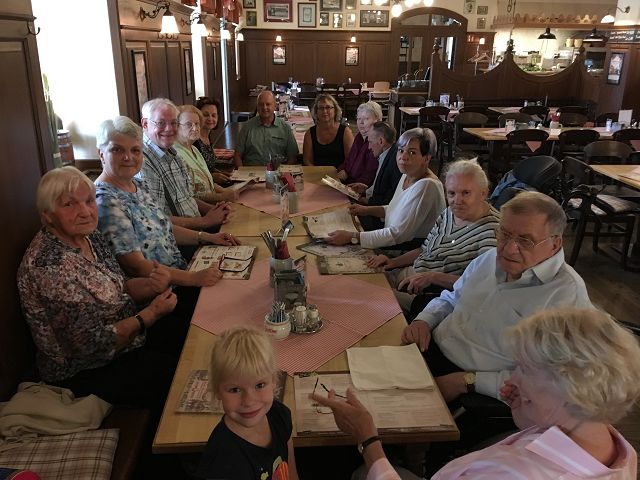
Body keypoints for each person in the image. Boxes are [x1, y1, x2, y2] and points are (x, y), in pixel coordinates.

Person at [314, 308, 640, 479]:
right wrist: (530, 414)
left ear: (573, 391)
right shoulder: (612, 445)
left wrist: (368, 442)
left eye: (524, 368)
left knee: (357, 470)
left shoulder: (515, 475)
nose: (512, 379)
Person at [17, 166, 181, 422]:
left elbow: (120, 287)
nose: (85, 211)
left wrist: (151, 285)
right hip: (83, 370)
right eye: (69, 204)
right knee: (172, 376)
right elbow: (91, 344)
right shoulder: (51, 266)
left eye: (89, 201)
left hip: (127, 336)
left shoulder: (89, 236)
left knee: (186, 330)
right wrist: (150, 314)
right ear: (48, 216)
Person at [402, 191, 593, 404]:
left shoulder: (566, 295)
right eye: (505, 233)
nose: (510, 248)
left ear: (555, 244)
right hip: (429, 346)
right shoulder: (489, 258)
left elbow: (553, 377)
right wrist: (424, 320)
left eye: (525, 240)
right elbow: (452, 298)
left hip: (472, 388)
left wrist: (465, 382)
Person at [94, 115, 239, 287]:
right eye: (117, 150)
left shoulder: (138, 185)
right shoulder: (105, 199)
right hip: (162, 292)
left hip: (181, 270)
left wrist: (208, 237)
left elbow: (163, 226)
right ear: (101, 154)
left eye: (135, 150)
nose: (128, 157)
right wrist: (193, 278)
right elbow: (136, 266)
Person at [368, 160, 499, 312]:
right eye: (451, 193)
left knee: (370, 300)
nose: (457, 201)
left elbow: (481, 285)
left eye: (466, 193)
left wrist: (432, 277)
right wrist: (392, 262)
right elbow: (424, 249)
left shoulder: (492, 232)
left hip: (432, 297)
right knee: (358, 281)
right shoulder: (450, 212)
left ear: (484, 193)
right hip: (409, 275)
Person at [196, 327, 299, 480]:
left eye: (259, 385)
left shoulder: (280, 415)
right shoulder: (223, 459)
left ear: (274, 381)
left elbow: (291, 472)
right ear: (217, 391)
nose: (249, 401)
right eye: (235, 389)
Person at [327, 128, 445, 250]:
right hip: (392, 239)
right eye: (401, 150)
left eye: (412, 152)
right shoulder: (408, 173)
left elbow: (398, 234)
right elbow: (396, 209)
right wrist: (365, 210)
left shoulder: (427, 186)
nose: (403, 157)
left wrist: (352, 237)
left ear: (427, 158)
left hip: (405, 251)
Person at [136, 97, 231, 231]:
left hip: (199, 228)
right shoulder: (142, 162)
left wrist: (216, 210)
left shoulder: (172, 153)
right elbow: (157, 219)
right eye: (161, 123)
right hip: (184, 240)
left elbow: (187, 197)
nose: (169, 129)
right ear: (145, 124)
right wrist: (205, 222)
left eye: (173, 122)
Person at [174, 105, 237, 204]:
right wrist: (221, 197)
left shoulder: (194, 149)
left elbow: (208, 181)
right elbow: (192, 194)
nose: (195, 128)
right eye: (188, 124)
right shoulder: (176, 155)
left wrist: (224, 191)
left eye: (197, 124)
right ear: (176, 126)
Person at [348, 121, 401, 230]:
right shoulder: (387, 154)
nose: (368, 147)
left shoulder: (395, 163)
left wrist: (364, 201)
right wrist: (366, 190)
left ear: (381, 141)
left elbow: (390, 201)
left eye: (370, 142)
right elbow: (384, 188)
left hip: (383, 224)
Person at [233, 90, 298, 167]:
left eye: (268, 104)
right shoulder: (247, 127)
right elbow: (237, 155)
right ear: (257, 107)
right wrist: (242, 173)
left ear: (275, 106)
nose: (264, 107)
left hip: (277, 174)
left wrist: (284, 173)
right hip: (251, 173)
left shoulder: (285, 128)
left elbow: (293, 157)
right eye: (261, 104)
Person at [302, 94, 354, 168]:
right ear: (316, 112)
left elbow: (350, 160)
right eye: (321, 108)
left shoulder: (345, 132)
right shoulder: (310, 133)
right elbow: (307, 161)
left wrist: (335, 174)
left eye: (328, 107)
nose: (325, 111)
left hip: (339, 175)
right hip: (316, 175)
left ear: (335, 110)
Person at [336, 101, 382, 185]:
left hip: (358, 188)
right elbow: (349, 160)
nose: (361, 122)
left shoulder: (377, 143)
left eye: (366, 119)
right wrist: (342, 170)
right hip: (346, 182)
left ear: (377, 120)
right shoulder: (359, 137)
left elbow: (369, 175)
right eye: (359, 118)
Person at [194, 96, 231, 184]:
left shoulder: (208, 136)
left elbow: (208, 167)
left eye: (213, 115)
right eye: (206, 115)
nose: (210, 118)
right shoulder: (194, 140)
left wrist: (219, 172)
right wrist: (212, 176)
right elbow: (193, 173)